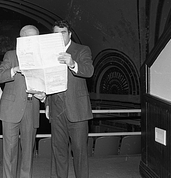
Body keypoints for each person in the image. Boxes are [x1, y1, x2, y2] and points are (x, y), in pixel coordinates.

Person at [0, 25, 44, 178]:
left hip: (32, 107)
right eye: (30, 38)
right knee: (9, 152)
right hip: (11, 110)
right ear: (21, 39)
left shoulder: (43, 57)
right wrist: (14, 69)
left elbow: (47, 83)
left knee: (28, 151)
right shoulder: (11, 55)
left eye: (36, 38)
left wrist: (44, 96)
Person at [45, 20, 94, 178]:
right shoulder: (48, 54)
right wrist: (47, 104)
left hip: (77, 109)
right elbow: (47, 80)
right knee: (58, 150)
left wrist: (72, 63)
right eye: (56, 33)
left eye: (63, 33)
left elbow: (89, 71)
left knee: (80, 151)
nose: (59, 36)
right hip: (56, 108)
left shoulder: (81, 50)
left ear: (70, 34)